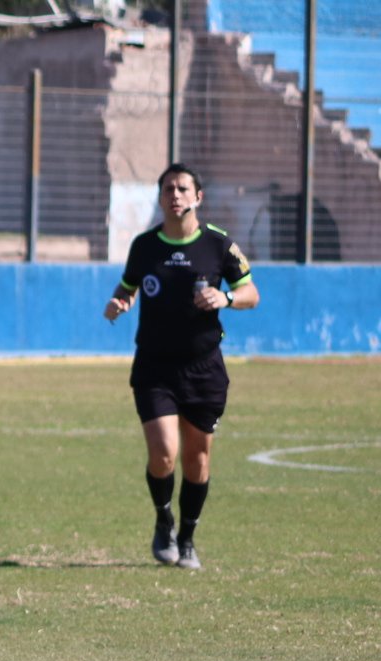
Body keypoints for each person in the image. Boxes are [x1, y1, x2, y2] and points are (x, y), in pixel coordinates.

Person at [103, 163, 258, 571]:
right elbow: (129, 285)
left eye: (183, 188)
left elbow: (251, 292)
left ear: (197, 197)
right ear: (161, 197)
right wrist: (119, 301)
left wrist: (225, 299)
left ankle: (187, 538)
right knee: (163, 453)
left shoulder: (219, 245)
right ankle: (163, 519)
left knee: (198, 460)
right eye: (168, 189)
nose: (175, 195)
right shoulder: (144, 246)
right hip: (154, 367)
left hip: (204, 369)